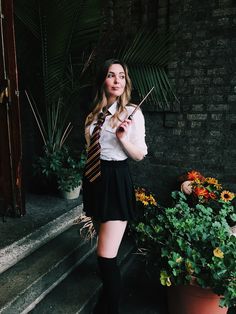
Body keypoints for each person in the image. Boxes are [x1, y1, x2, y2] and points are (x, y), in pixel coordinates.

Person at [82, 58, 148, 314]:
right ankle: (106, 298)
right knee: (104, 251)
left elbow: (140, 154)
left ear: (126, 82)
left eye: (122, 76)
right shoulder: (94, 114)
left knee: (106, 257)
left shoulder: (132, 112)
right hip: (94, 180)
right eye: (111, 75)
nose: (118, 80)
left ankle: (109, 309)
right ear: (103, 80)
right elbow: (90, 148)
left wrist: (122, 138)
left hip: (115, 180)